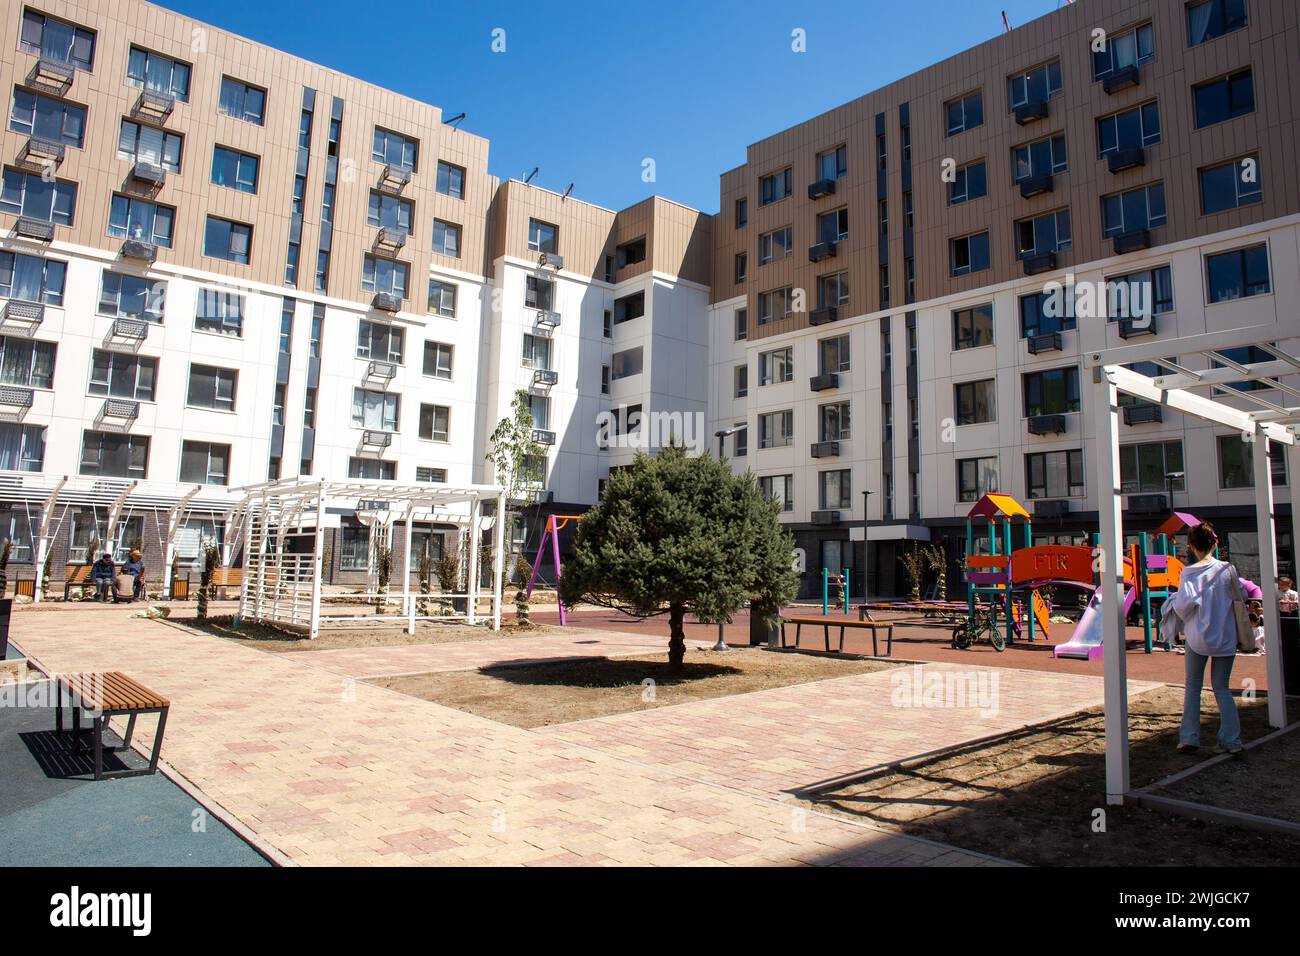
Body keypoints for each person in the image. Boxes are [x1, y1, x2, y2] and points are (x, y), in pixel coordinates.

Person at [1163, 522, 1243, 755]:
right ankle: (1231, 739)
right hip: (1226, 636)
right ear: (1215, 543)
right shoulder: (1228, 569)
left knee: (1193, 687)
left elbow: (1183, 606)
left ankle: (1189, 737)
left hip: (1198, 636)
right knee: (1222, 689)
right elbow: (1240, 595)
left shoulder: (1189, 572)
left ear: (1191, 546)